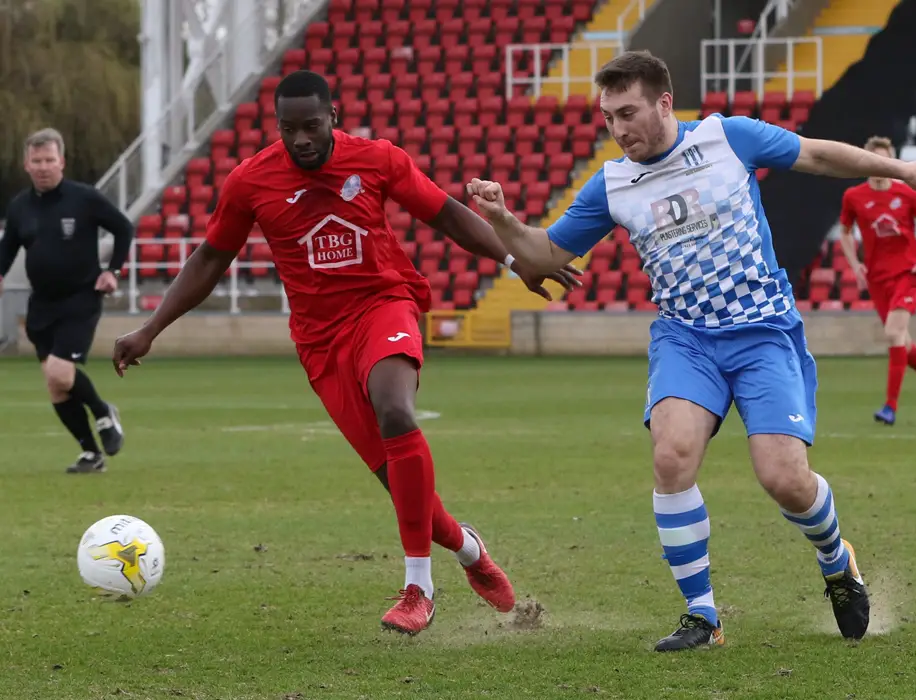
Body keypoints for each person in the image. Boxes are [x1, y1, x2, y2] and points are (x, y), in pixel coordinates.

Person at [467, 50, 916, 651]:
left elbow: (817, 154)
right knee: (671, 457)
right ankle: (703, 617)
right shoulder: (613, 181)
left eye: (628, 112)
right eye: (607, 117)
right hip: (686, 338)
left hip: (762, 331)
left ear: (664, 103)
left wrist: (901, 169)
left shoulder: (728, 137)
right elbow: (543, 256)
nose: (618, 129)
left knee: (784, 479)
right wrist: (503, 220)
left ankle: (836, 558)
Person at [111, 70, 582, 636]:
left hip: (385, 303)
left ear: (332, 117)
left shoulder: (378, 159)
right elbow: (211, 259)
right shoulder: (250, 182)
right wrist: (151, 328)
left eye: (311, 126)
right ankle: (469, 550)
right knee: (402, 485)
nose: (302, 140)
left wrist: (515, 260)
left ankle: (418, 589)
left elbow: (446, 213)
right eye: (289, 129)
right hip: (320, 341)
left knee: (395, 409)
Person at [0, 128, 130, 474]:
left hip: (81, 298)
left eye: (50, 160)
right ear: (27, 164)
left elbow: (123, 227)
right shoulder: (20, 207)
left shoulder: (84, 198)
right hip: (41, 303)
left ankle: (104, 412)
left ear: (62, 162)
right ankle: (91, 454)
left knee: (61, 371)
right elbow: (8, 247)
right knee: (56, 386)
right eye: (37, 160)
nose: (44, 166)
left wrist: (112, 270)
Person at [839, 136, 916, 425]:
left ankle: (890, 407)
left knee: (893, 334)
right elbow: (845, 232)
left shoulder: (907, 193)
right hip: (877, 278)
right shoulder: (854, 197)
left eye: (885, 160)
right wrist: (856, 265)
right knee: (900, 339)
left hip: (907, 275)